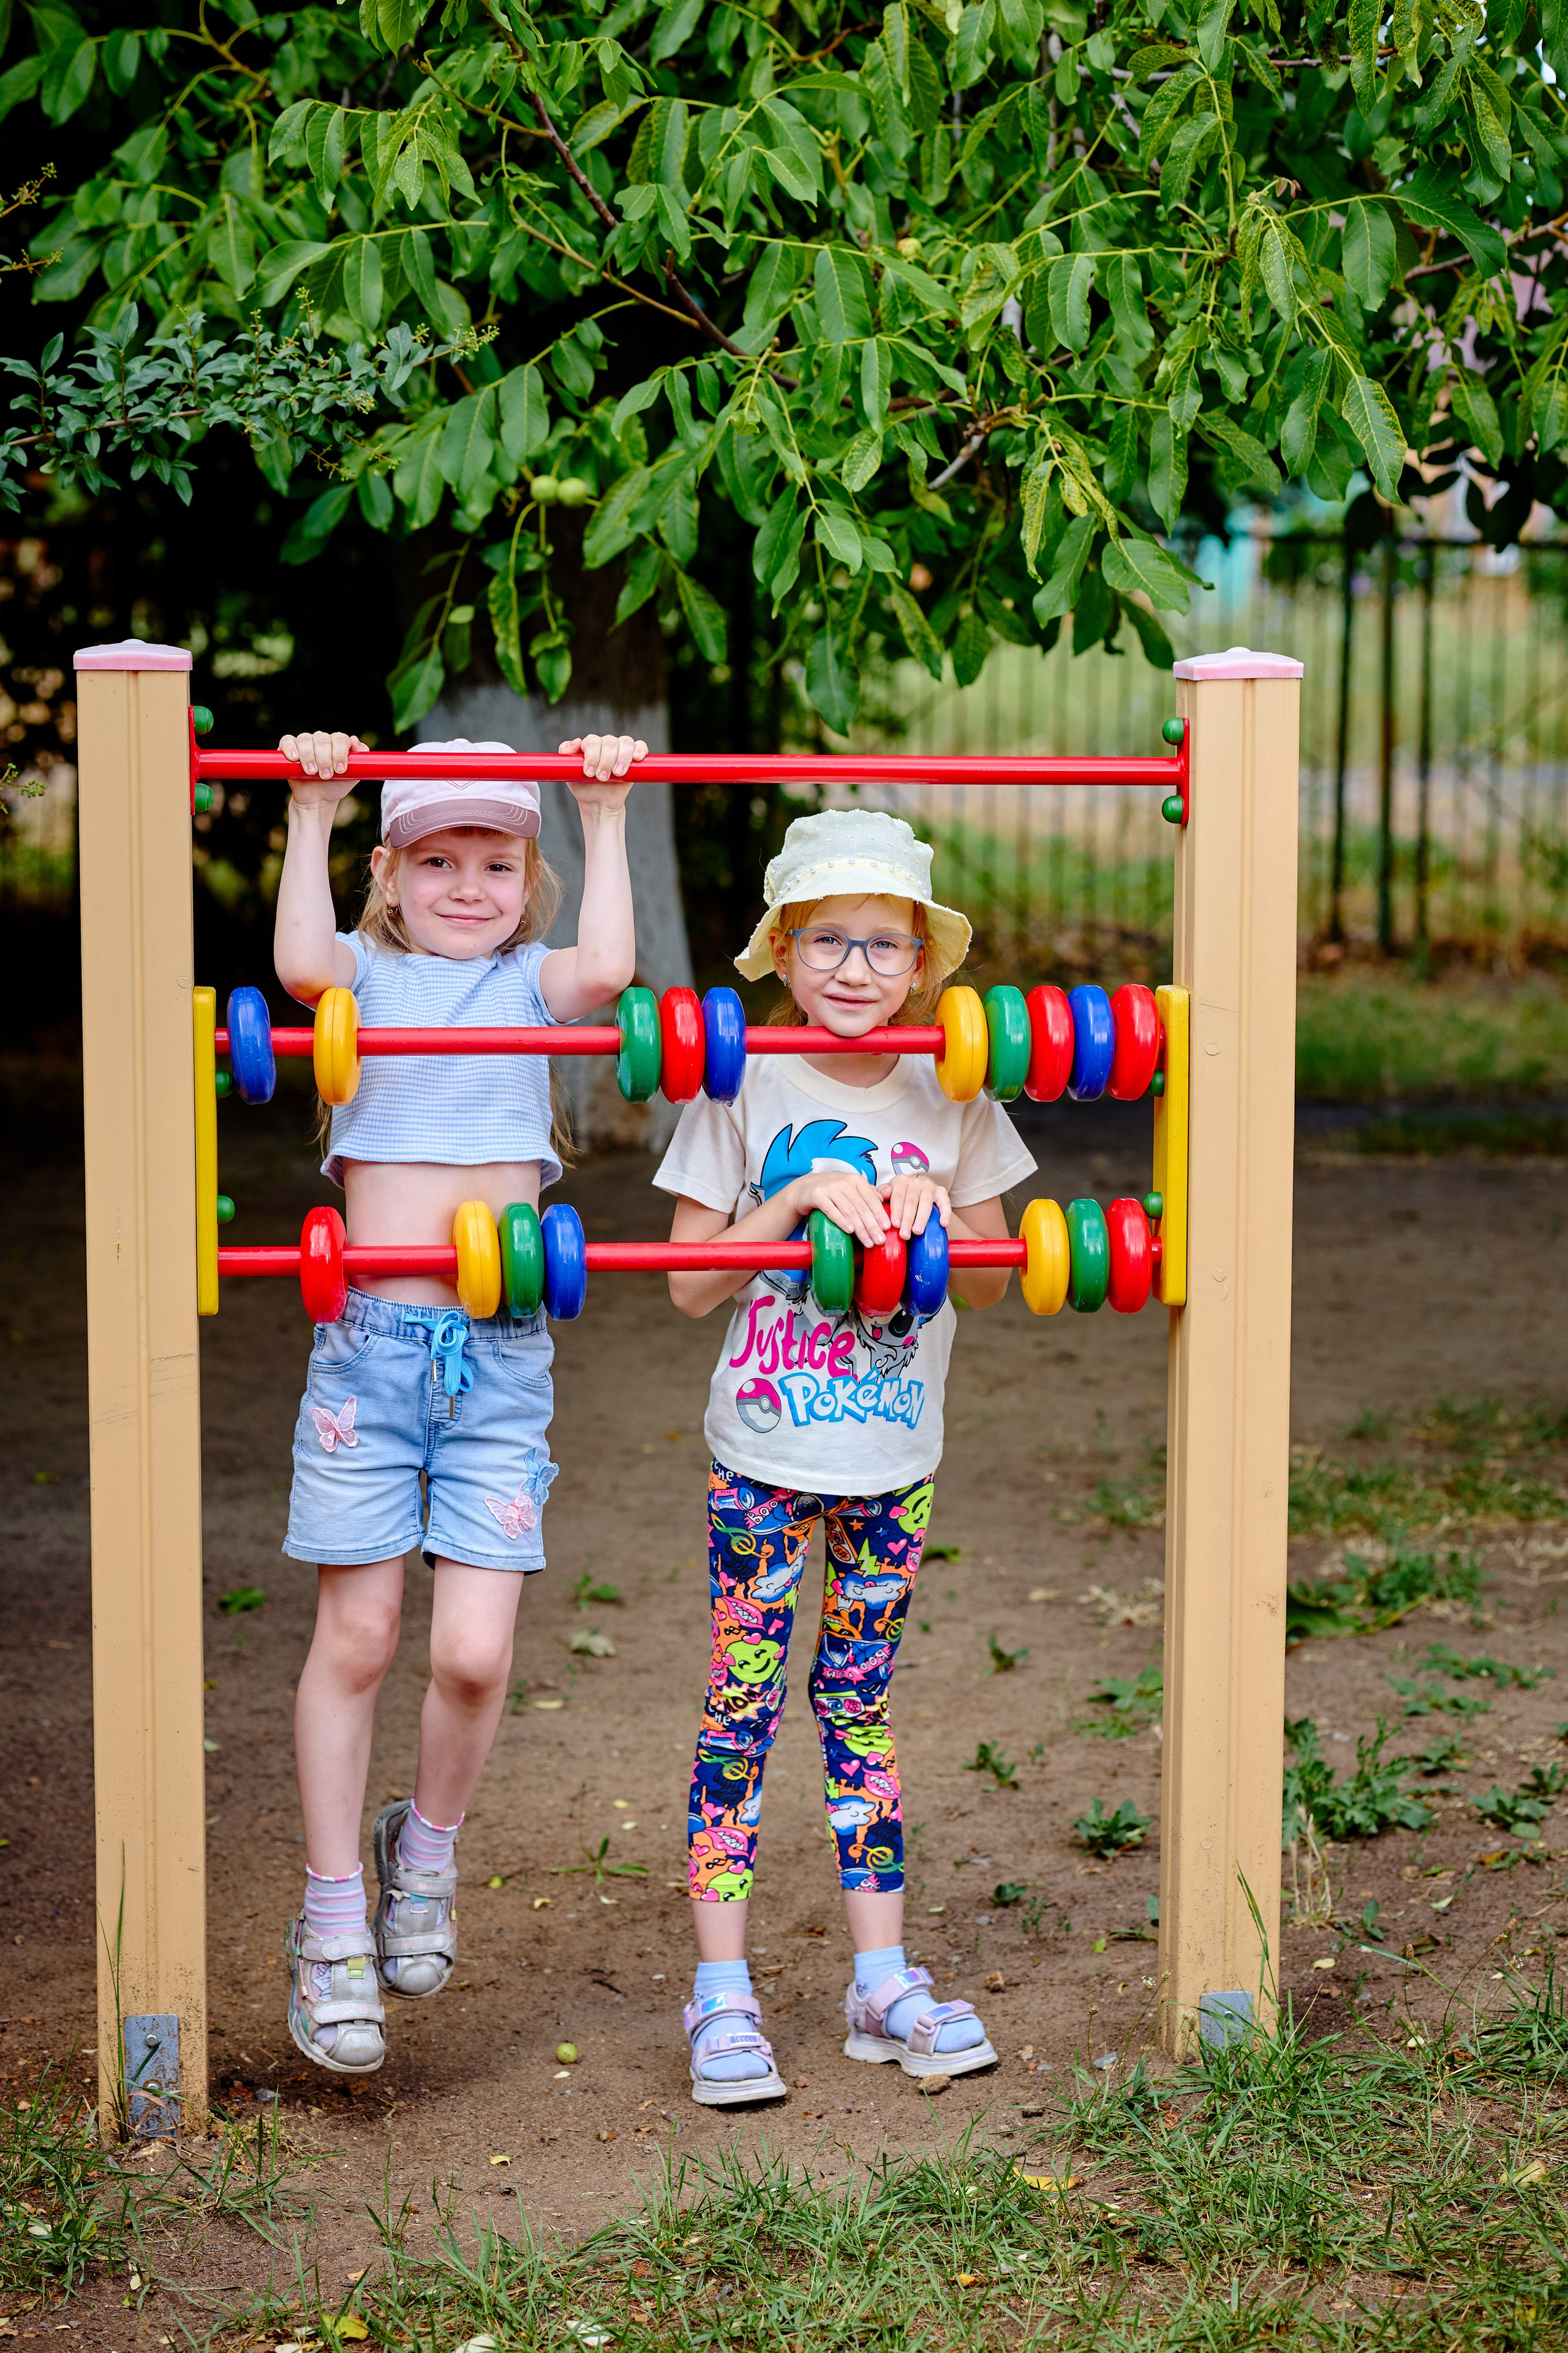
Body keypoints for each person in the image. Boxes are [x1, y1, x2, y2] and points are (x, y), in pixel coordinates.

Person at [271, 723, 646, 2074]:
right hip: (370, 1353)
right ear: (391, 875)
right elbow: (296, 965)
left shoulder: (529, 988)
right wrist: (311, 807)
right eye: (440, 861)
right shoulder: (362, 974)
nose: (470, 885)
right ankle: (330, 1924)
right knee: (362, 1636)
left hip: (499, 1358)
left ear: (526, 879)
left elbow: (611, 965)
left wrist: (604, 818)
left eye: (498, 861)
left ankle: (419, 1853)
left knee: (474, 1653)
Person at [654, 808, 1037, 2104]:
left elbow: (987, 1288)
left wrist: (937, 1205)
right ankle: (720, 1999)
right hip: (760, 1458)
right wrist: (795, 1200)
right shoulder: (742, 1077)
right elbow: (687, 1290)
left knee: (858, 1709)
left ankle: (879, 1984)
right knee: (741, 1711)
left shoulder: (956, 1080)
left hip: (892, 1462)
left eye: (885, 944)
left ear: (925, 964)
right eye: (828, 940)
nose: (857, 968)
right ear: (783, 948)